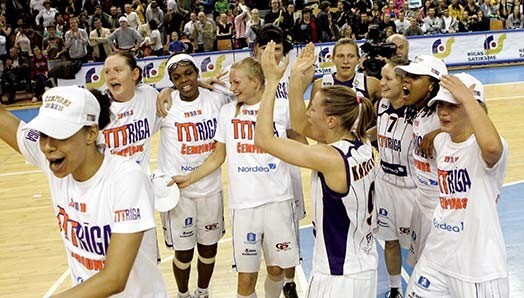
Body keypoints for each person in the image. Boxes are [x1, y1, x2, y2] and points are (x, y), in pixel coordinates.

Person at [0, 86, 168, 297]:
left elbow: (114, 278)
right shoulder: (54, 158)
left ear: (91, 133)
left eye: (60, 134)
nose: (48, 146)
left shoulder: (126, 179)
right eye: (44, 134)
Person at [171, 55, 300, 298]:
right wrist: (189, 179)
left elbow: (301, 141)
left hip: (278, 200)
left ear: (255, 81)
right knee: (246, 280)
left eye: (237, 83)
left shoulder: (280, 108)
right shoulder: (227, 112)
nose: (232, 88)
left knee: (276, 270)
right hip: (244, 206)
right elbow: (217, 157)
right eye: (230, 83)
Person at [256, 42, 378, 298]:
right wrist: (295, 83)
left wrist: (270, 83)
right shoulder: (361, 141)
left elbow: (264, 140)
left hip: (339, 275)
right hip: (363, 266)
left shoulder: (330, 158)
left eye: (314, 108)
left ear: (331, 121)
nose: (308, 112)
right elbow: (301, 124)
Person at [406, 73, 509, 297]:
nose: (443, 112)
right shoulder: (441, 141)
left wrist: (468, 98)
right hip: (437, 255)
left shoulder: (490, 146)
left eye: (453, 106)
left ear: (475, 107)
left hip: (477, 267)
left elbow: (491, 149)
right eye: (440, 105)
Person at [157, 53, 229, 298]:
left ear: (197, 73)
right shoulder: (165, 106)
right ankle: (183, 294)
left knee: (209, 249)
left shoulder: (216, 99)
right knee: (183, 252)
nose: (184, 80)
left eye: (188, 73)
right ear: (171, 81)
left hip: (210, 189)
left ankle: (203, 292)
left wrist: (208, 81)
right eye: (176, 77)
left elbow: (245, 77)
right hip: (179, 195)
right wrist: (164, 90)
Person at [394, 55, 448, 267]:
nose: (406, 80)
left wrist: (440, 131)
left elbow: (477, 119)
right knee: (419, 266)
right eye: (406, 75)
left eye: (415, 77)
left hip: (440, 207)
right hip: (422, 199)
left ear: (431, 85)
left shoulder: (442, 114)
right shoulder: (419, 110)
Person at [373, 56, 415, 298]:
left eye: (388, 78)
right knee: (389, 241)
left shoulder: (419, 112)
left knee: (415, 248)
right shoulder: (382, 105)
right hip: (384, 182)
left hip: (411, 188)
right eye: (382, 77)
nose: (382, 83)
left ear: (404, 82)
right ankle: (395, 289)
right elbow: (378, 133)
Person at [99, 51, 160, 172]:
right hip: (109, 185)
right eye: (107, 72)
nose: (111, 76)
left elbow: (177, 100)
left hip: (140, 182)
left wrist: (168, 91)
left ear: (135, 74)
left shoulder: (149, 95)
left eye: (118, 70)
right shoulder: (98, 107)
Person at [311, 38, 381, 103]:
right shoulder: (319, 85)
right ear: (333, 59)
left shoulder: (371, 83)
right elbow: (309, 115)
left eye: (351, 56)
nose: (345, 61)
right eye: (340, 56)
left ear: (358, 59)